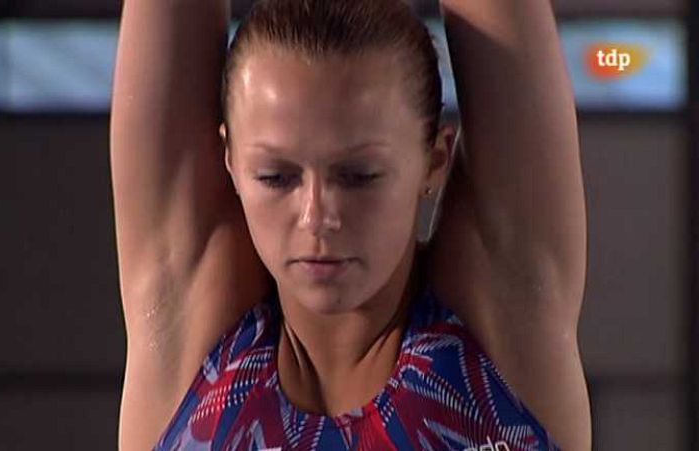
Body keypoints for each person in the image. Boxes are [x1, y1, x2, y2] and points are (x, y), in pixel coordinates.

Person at [110, 0, 591, 449]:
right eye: (277, 177)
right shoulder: (185, 326)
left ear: (434, 159)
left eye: (359, 177)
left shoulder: (505, 326)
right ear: (229, 161)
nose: (317, 217)